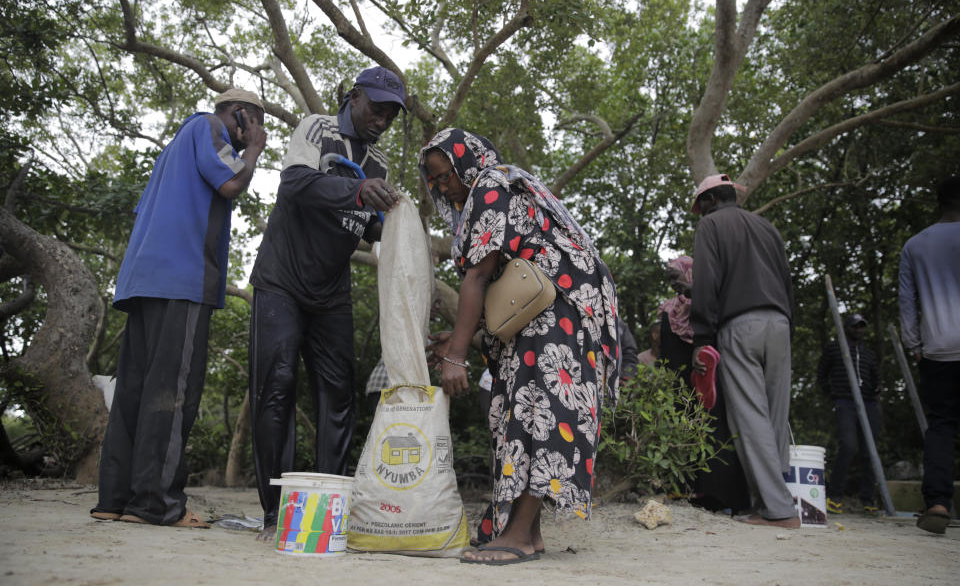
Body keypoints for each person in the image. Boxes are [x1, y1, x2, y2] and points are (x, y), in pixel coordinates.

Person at [420, 128, 620, 565]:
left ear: (465, 162)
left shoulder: (491, 184)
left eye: (443, 174)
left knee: (542, 412)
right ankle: (528, 533)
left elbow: (478, 275)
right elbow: (506, 293)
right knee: (522, 412)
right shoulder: (503, 187)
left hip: (562, 311)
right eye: (432, 181)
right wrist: (462, 340)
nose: (440, 185)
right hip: (549, 314)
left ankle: (516, 536)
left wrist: (455, 355)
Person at [91, 88, 267, 527]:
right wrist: (256, 149)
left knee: (134, 391)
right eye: (254, 121)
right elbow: (230, 184)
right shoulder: (208, 127)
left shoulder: (173, 149)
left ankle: (115, 499)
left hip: (144, 279)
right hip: (182, 278)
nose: (255, 133)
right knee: (172, 393)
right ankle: (156, 503)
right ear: (240, 114)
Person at [247, 67, 405, 540]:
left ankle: (329, 506)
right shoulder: (317, 128)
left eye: (392, 114)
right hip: (282, 282)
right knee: (276, 385)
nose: (383, 119)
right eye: (377, 107)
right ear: (354, 96)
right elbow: (294, 183)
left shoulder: (377, 164)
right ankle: (277, 510)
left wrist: (398, 230)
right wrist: (356, 190)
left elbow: (369, 225)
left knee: (338, 396)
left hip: (331, 292)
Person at [689, 173, 798, 528]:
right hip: (780, 325)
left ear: (709, 202)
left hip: (740, 325)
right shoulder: (768, 228)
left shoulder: (710, 226)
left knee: (750, 417)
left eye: (700, 207)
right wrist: (788, 326)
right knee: (775, 417)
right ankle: (774, 501)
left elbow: (706, 283)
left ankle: (779, 511)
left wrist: (703, 337)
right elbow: (787, 281)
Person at [657, 255, 749, 513]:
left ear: (689, 274)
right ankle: (687, 493)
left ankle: (723, 497)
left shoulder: (711, 307)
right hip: (680, 390)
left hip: (711, 387)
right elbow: (665, 353)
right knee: (683, 434)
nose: (673, 283)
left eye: (676, 277)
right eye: (669, 279)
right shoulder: (667, 310)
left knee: (715, 432)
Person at [898, 175, 960, 535]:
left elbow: (908, 303)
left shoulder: (915, 246)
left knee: (940, 429)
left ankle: (937, 503)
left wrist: (915, 346)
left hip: (937, 350)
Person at [817, 313, 882, 514]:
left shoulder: (869, 354)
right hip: (845, 402)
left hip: (868, 403)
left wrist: (877, 388)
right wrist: (834, 394)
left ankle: (868, 499)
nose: (859, 330)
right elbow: (821, 375)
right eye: (855, 326)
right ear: (847, 328)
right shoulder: (834, 349)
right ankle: (835, 496)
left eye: (862, 326)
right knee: (848, 446)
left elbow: (876, 377)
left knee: (869, 451)